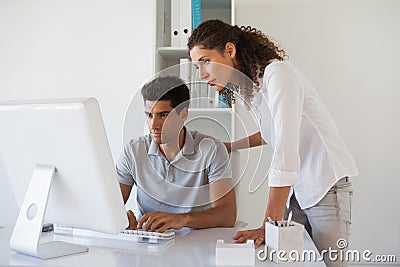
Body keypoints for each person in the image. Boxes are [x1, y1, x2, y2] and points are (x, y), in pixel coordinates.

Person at [188, 19, 358, 267]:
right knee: (289, 263)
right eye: (196, 66)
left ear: (230, 50)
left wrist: (267, 225)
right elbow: (271, 132)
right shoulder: (251, 88)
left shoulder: (278, 74)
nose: (202, 74)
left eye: (205, 61)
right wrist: (232, 146)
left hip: (325, 185)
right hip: (297, 191)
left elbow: (285, 153)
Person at [116, 75, 236, 233]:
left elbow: (227, 215)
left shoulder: (211, 150)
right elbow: (110, 207)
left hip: (196, 242)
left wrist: (182, 219)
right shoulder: (133, 151)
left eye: (163, 115)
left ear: (183, 114)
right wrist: (119, 217)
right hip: (150, 241)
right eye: (149, 115)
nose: (153, 125)